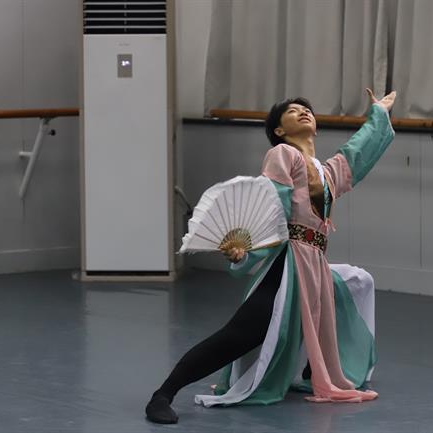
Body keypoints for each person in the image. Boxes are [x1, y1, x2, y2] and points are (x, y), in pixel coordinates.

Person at [145, 88, 396, 424]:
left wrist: (378, 113)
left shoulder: (328, 172)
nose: (303, 112)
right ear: (279, 130)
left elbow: (358, 152)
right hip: (288, 265)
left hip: (315, 266)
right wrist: (246, 252)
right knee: (241, 334)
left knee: (356, 281)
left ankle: (313, 370)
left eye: (307, 109)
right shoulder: (283, 154)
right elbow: (269, 208)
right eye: (293, 111)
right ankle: (163, 393)